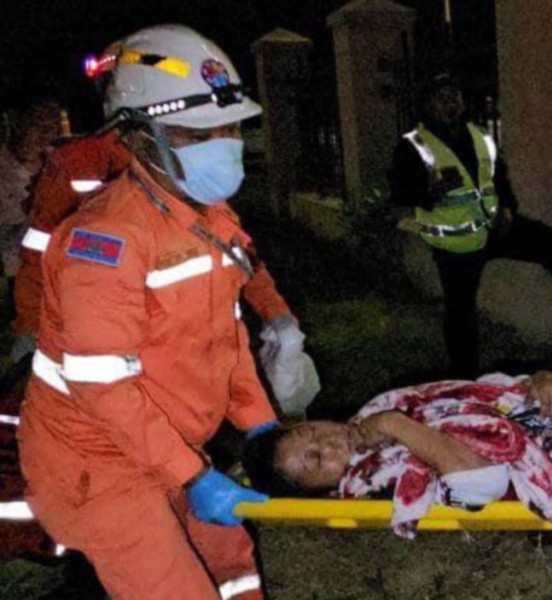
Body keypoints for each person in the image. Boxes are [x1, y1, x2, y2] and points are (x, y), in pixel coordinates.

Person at [17, 25, 279, 599]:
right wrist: (194, 475)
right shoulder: (106, 241)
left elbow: (224, 335)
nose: (224, 144)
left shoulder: (209, 217)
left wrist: (259, 424)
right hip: (97, 462)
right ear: (137, 140)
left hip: (171, 446)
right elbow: (102, 387)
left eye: (230, 127)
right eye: (196, 133)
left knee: (232, 566)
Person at [11, 46, 318, 418]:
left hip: (181, 362)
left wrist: (277, 316)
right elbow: (40, 257)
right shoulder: (81, 164)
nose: (220, 143)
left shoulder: (188, 169)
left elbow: (234, 249)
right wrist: (32, 333)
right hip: (96, 348)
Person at [244, 370, 552, 544]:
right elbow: (485, 483)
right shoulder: (370, 483)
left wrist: (538, 380)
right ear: (322, 491)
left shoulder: (373, 412)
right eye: (315, 460)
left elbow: (479, 390)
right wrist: (396, 426)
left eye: (310, 431)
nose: (327, 442)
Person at [389, 73, 552, 378]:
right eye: (442, 98)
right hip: (455, 244)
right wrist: (430, 190)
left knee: (550, 241)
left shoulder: (479, 135)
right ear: (427, 105)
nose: (450, 104)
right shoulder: (414, 145)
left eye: (455, 96)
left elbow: (499, 178)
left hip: (494, 229)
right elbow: (400, 192)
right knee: (460, 312)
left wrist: (508, 209)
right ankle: (466, 378)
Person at [0, 99, 60, 311]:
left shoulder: (61, 164)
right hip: (16, 276)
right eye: (38, 125)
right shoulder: (5, 170)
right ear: (18, 124)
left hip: (54, 276)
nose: (45, 134)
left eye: (51, 127)